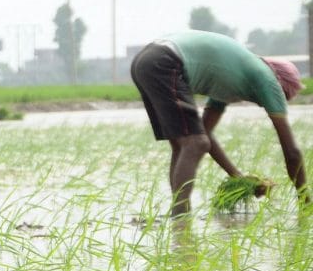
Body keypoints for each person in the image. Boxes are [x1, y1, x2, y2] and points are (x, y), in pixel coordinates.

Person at [130, 29, 309, 217]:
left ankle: (179, 219)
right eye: (284, 95)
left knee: (184, 145)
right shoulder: (267, 79)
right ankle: (179, 219)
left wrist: (239, 178)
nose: (275, 101)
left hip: (146, 61)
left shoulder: (233, 77)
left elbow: (204, 132)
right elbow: (292, 152)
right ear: (280, 84)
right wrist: (305, 200)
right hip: (165, 61)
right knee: (195, 143)